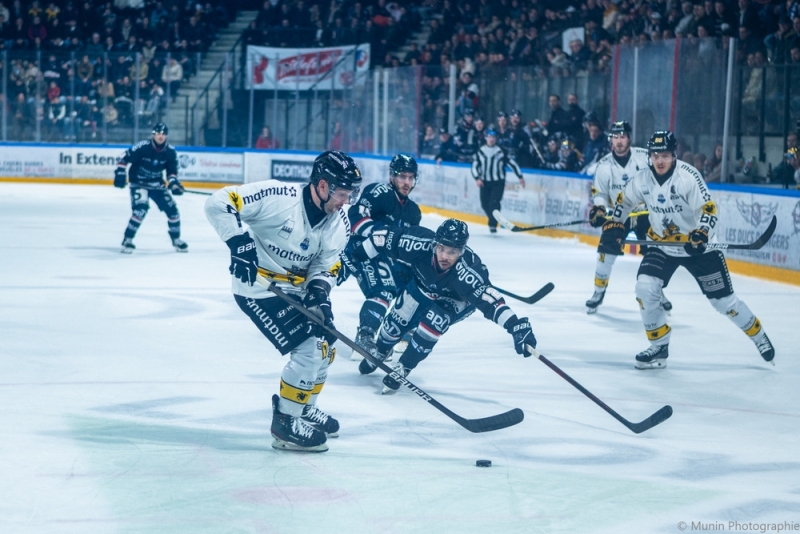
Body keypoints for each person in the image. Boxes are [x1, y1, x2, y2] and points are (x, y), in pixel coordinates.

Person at [204, 150, 363, 452]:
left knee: (326, 347)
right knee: (310, 349)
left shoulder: (339, 222)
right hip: (259, 288)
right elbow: (219, 201)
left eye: (349, 194)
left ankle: (301, 407)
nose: (346, 201)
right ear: (321, 185)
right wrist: (238, 241)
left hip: (297, 290)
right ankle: (285, 424)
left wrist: (320, 294)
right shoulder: (279, 197)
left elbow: (327, 265)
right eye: (342, 193)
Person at [598, 130, 775, 369]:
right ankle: (659, 346)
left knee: (724, 303)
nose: (659, 161)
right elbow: (624, 202)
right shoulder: (642, 180)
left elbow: (708, 210)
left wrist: (701, 233)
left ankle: (757, 334)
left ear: (674, 154)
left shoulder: (688, 177)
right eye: (655, 155)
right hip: (662, 244)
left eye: (665, 155)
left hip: (698, 247)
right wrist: (615, 224)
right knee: (645, 288)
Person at [351, 218, 538, 393]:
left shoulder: (469, 273)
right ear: (435, 244)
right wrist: (355, 256)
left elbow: (492, 303)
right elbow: (382, 238)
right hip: (421, 287)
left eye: (452, 252)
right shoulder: (417, 243)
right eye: (441, 248)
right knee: (394, 325)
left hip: (454, 300)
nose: (445, 256)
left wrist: (515, 326)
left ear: (462, 251)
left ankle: (405, 365)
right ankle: (382, 350)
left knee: (435, 319)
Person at [340, 153, 422, 361]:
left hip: (384, 256)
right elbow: (356, 216)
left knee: (414, 285)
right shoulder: (381, 192)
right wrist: (381, 236)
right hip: (358, 248)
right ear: (392, 176)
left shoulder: (413, 212)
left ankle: (398, 329)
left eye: (410, 177)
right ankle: (365, 337)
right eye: (402, 176)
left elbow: (408, 246)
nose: (406, 182)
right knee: (383, 289)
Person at [585, 120, 671, 313]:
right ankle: (598, 292)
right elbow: (599, 194)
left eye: (623, 136)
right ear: (611, 140)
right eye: (616, 136)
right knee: (605, 254)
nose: (619, 140)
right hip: (617, 215)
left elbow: (661, 178)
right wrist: (599, 209)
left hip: (644, 213)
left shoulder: (644, 158)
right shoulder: (604, 165)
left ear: (629, 138)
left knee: (654, 253)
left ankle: (658, 292)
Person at [114, 122, 187, 253]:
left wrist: (174, 184)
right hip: (139, 184)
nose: (161, 136)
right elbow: (124, 157)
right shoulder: (143, 147)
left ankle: (176, 239)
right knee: (140, 210)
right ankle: (128, 239)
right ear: (153, 134)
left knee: (173, 211)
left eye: (163, 134)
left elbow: (172, 172)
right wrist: (120, 173)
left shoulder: (170, 152)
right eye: (158, 133)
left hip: (156, 185)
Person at [471, 128, 524, 234]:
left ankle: (493, 225)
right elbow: (474, 166)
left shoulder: (501, 151)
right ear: (486, 138)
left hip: (498, 182)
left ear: (496, 139)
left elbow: (511, 163)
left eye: (493, 137)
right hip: (484, 182)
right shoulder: (481, 151)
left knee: (494, 203)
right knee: (484, 204)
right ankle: (494, 219)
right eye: (489, 137)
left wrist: (520, 176)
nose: (491, 139)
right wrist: (477, 178)